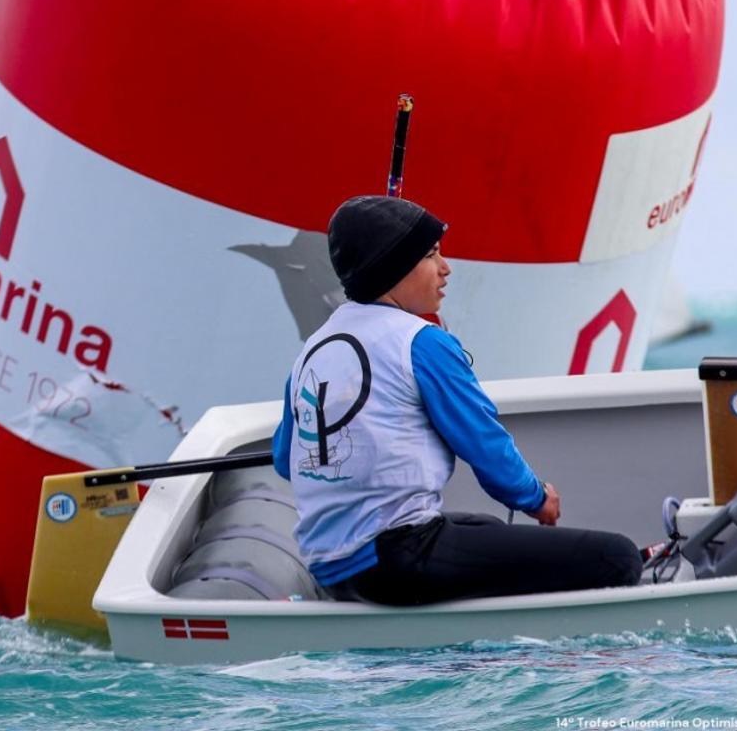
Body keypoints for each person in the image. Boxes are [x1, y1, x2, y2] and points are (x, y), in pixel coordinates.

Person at [271, 195, 642, 605]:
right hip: (396, 563)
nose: (446, 269)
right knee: (617, 557)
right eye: (431, 255)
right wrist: (537, 499)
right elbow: (485, 446)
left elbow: (286, 459)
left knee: (483, 527)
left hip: (329, 569)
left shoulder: (312, 350)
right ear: (393, 267)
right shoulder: (422, 343)